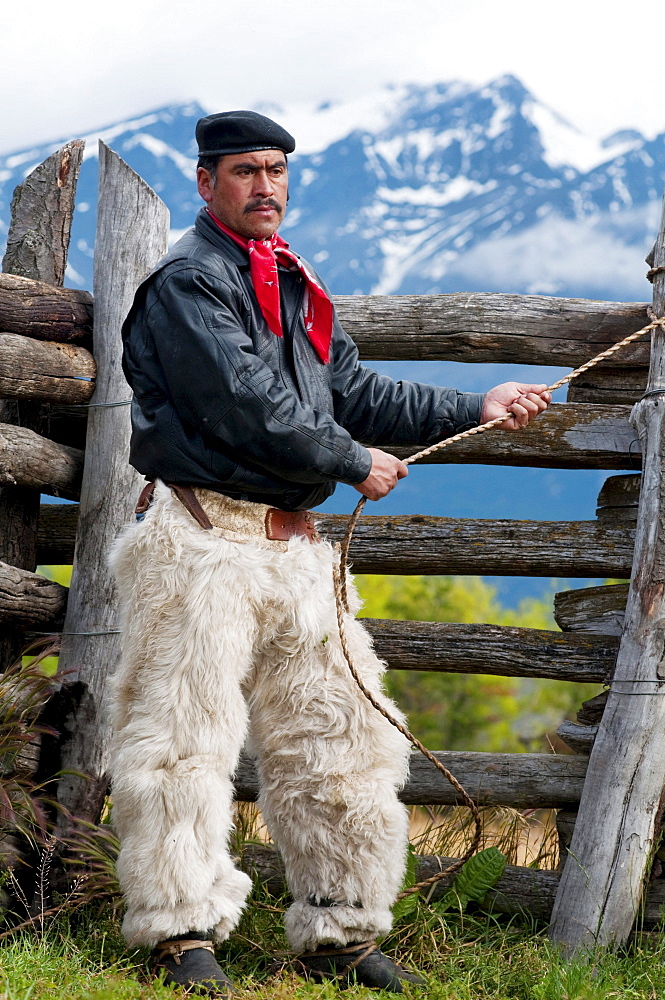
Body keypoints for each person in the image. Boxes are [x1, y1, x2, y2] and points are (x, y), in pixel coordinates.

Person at [109, 110, 551, 997]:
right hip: (201, 542)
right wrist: (349, 461)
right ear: (206, 183)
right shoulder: (185, 285)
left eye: (275, 169)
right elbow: (244, 402)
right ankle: (180, 933)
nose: (264, 185)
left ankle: (339, 931)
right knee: (183, 743)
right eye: (244, 171)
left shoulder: (292, 281)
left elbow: (351, 389)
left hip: (294, 551)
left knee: (338, 740)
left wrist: (475, 406)